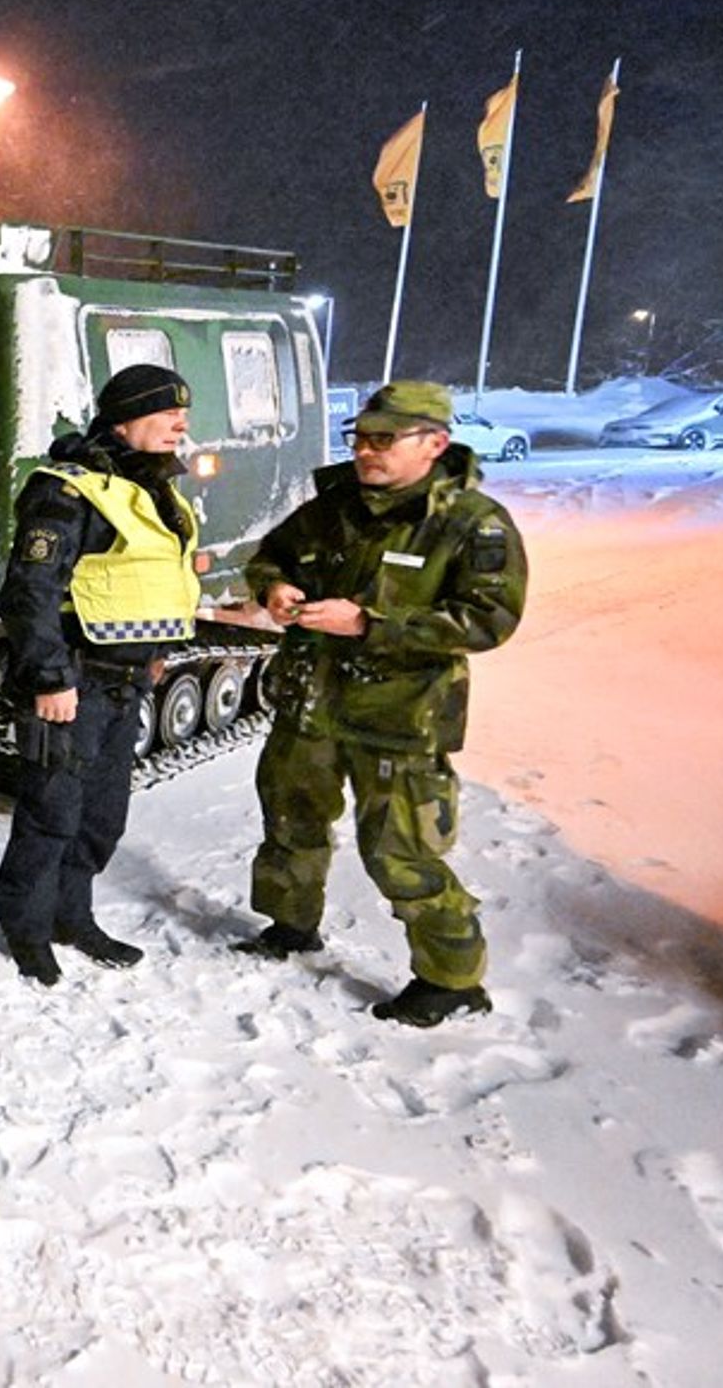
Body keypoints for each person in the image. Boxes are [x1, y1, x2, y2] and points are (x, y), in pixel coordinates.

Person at [236, 380, 529, 1027]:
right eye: (361, 437)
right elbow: (271, 558)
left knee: (401, 852)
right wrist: (275, 588)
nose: (366, 450)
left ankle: (451, 981)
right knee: (291, 820)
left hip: (400, 717)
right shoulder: (334, 507)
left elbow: (490, 619)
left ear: (435, 444)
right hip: (312, 703)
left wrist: (370, 623)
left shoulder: (471, 524)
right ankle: (291, 924)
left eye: (384, 439)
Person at [0, 364, 201, 985]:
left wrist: (156, 649)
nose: (180, 423)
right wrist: (50, 679)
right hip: (74, 682)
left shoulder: (154, 490)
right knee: (50, 814)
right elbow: (28, 593)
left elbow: (148, 579)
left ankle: (71, 917)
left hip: (125, 683)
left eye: (182, 413)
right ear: (124, 420)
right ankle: (26, 929)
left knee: (101, 816)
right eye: (166, 411)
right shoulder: (67, 491)